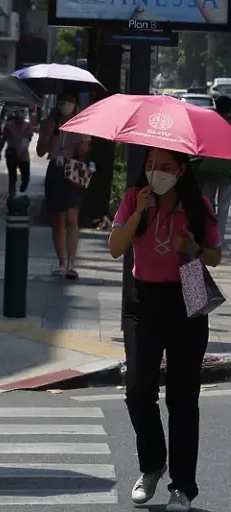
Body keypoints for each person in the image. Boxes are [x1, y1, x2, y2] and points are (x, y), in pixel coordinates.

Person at [109, 148, 221, 512]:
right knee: (138, 391)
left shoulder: (197, 205)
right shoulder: (133, 199)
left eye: (165, 167)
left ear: (181, 170)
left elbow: (216, 254)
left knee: (183, 399)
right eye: (150, 165)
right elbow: (115, 248)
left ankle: (183, 487)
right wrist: (139, 211)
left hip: (186, 295)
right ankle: (153, 464)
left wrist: (192, 247)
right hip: (143, 300)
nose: (156, 172)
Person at [37, 92, 91, 279]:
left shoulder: (82, 123)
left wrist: (83, 142)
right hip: (55, 170)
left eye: (70, 101)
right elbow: (40, 151)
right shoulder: (49, 123)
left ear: (76, 105)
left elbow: (84, 153)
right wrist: (49, 135)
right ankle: (61, 262)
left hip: (73, 171)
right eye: (63, 101)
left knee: (72, 217)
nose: (66, 105)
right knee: (58, 219)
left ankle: (72, 264)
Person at [195, 95, 231, 248]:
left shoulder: (210, 123)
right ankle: (219, 240)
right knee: (223, 208)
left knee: (207, 205)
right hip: (227, 172)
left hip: (208, 170)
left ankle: (206, 237)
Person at [0, 109, 34, 197]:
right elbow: (4, 139)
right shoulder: (9, 125)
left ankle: (21, 193)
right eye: (19, 111)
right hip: (12, 154)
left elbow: (28, 139)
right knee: (12, 178)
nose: (21, 113)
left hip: (23, 156)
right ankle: (12, 197)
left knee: (25, 178)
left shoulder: (28, 126)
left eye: (23, 111)